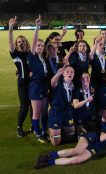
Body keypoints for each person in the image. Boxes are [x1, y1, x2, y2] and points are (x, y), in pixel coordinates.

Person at [34, 114, 106, 169]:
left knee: (75, 160)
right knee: (76, 151)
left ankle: (49, 162)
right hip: (92, 138)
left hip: (97, 148)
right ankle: (49, 155)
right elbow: (102, 138)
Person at [8, 16, 32, 137]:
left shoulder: (30, 53)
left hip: (33, 82)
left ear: (25, 42)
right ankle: (19, 127)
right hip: (23, 83)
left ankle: (34, 126)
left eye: (23, 41)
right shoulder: (15, 54)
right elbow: (10, 43)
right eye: (19, 42)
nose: (21, 43)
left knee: (34, 104)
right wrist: (11, 29)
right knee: (24, 106)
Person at [27, 15, 48, 143]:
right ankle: (38, 132)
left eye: (41, 46)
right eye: (38, 45)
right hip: (35, 87)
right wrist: (37, 27)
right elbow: (34, 41)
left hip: (44, 86)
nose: (39, 47)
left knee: (45, 111)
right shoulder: (32, 56)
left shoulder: (43, 58)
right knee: (36, 113)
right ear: (34, 47)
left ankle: (44, 130)